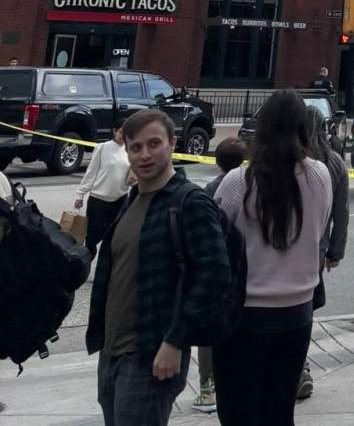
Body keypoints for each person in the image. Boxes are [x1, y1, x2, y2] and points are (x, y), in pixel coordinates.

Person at [85, 109, 231, 426]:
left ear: (172, 143)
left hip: (151, 352)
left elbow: (214, 276)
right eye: (135, 147)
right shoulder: (132, 199)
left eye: (154, 144)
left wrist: (175, 340)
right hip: (113, 352)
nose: (145, 154)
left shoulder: (188, 201)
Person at [213, 90, 333, 426]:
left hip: (244, 313)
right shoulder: (320, 176)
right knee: (279, 409)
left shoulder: (239, 182)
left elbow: (216, 236)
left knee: (237, 410)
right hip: (297, 311)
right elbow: (320, 228)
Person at [296, 105, 351, 400]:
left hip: (288, 245)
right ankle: (300, 367)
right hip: (317, 248)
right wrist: (335, 251)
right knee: (304, 309)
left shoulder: (296, 160)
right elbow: (342, 212)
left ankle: (295, 367)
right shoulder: (335, 163)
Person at [191, 137, 247, 414]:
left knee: (209, 334)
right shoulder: (248, 185)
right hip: (239, 271)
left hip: (217, 271)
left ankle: (207, 388)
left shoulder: (211, 189)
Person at [74, 121, 133, 258]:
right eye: (121, 132)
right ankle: (85, 263)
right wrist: (80, 194)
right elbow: (91, 172)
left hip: (120, 199)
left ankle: (109, 268)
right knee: (93, 237)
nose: (123, 136)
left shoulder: (131, 149)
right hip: (98, 200)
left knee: (115, 236)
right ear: (114, 131)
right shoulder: (102, 148)